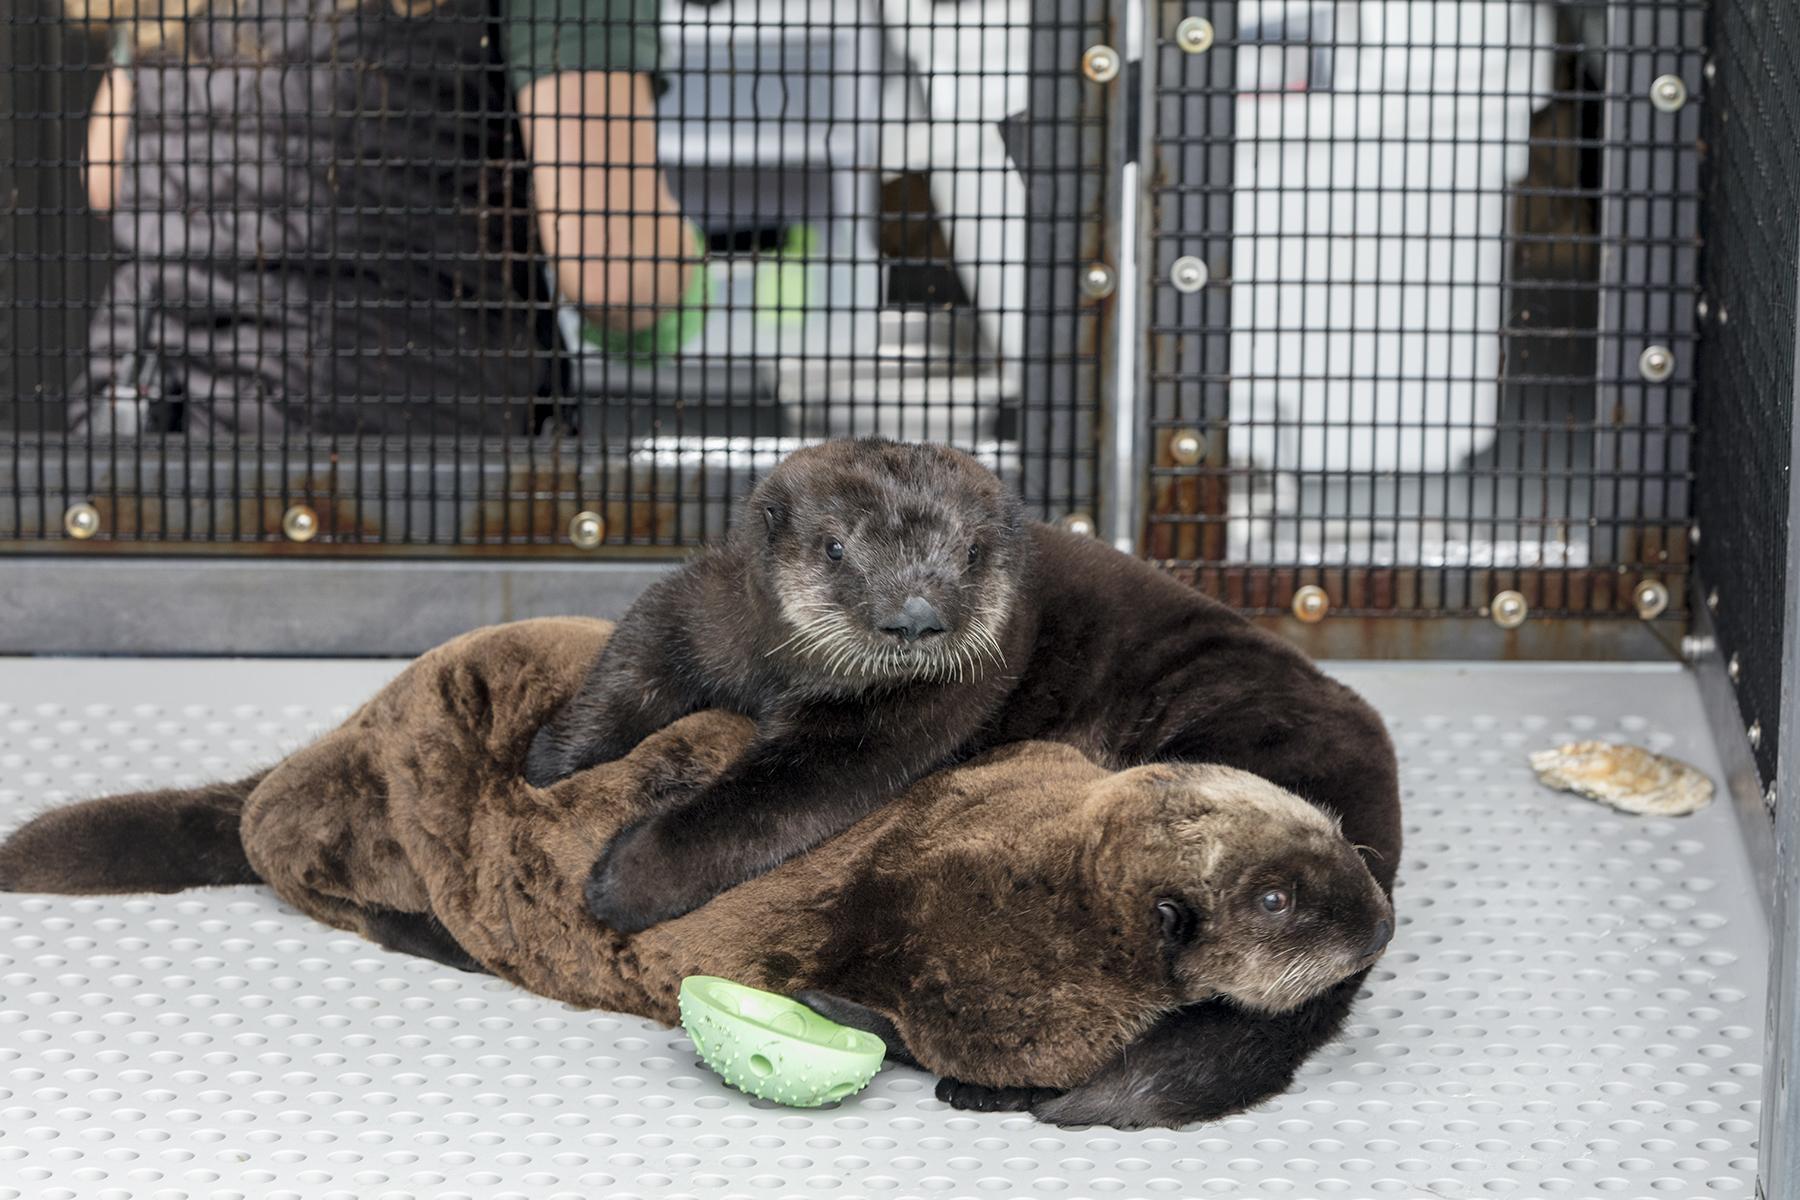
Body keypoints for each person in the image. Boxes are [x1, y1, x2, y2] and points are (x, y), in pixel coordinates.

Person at [66, 0, 706, 437]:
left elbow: (109, 172)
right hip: (406, 472)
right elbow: (615, 270)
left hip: (147, 447)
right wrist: (686, 271)